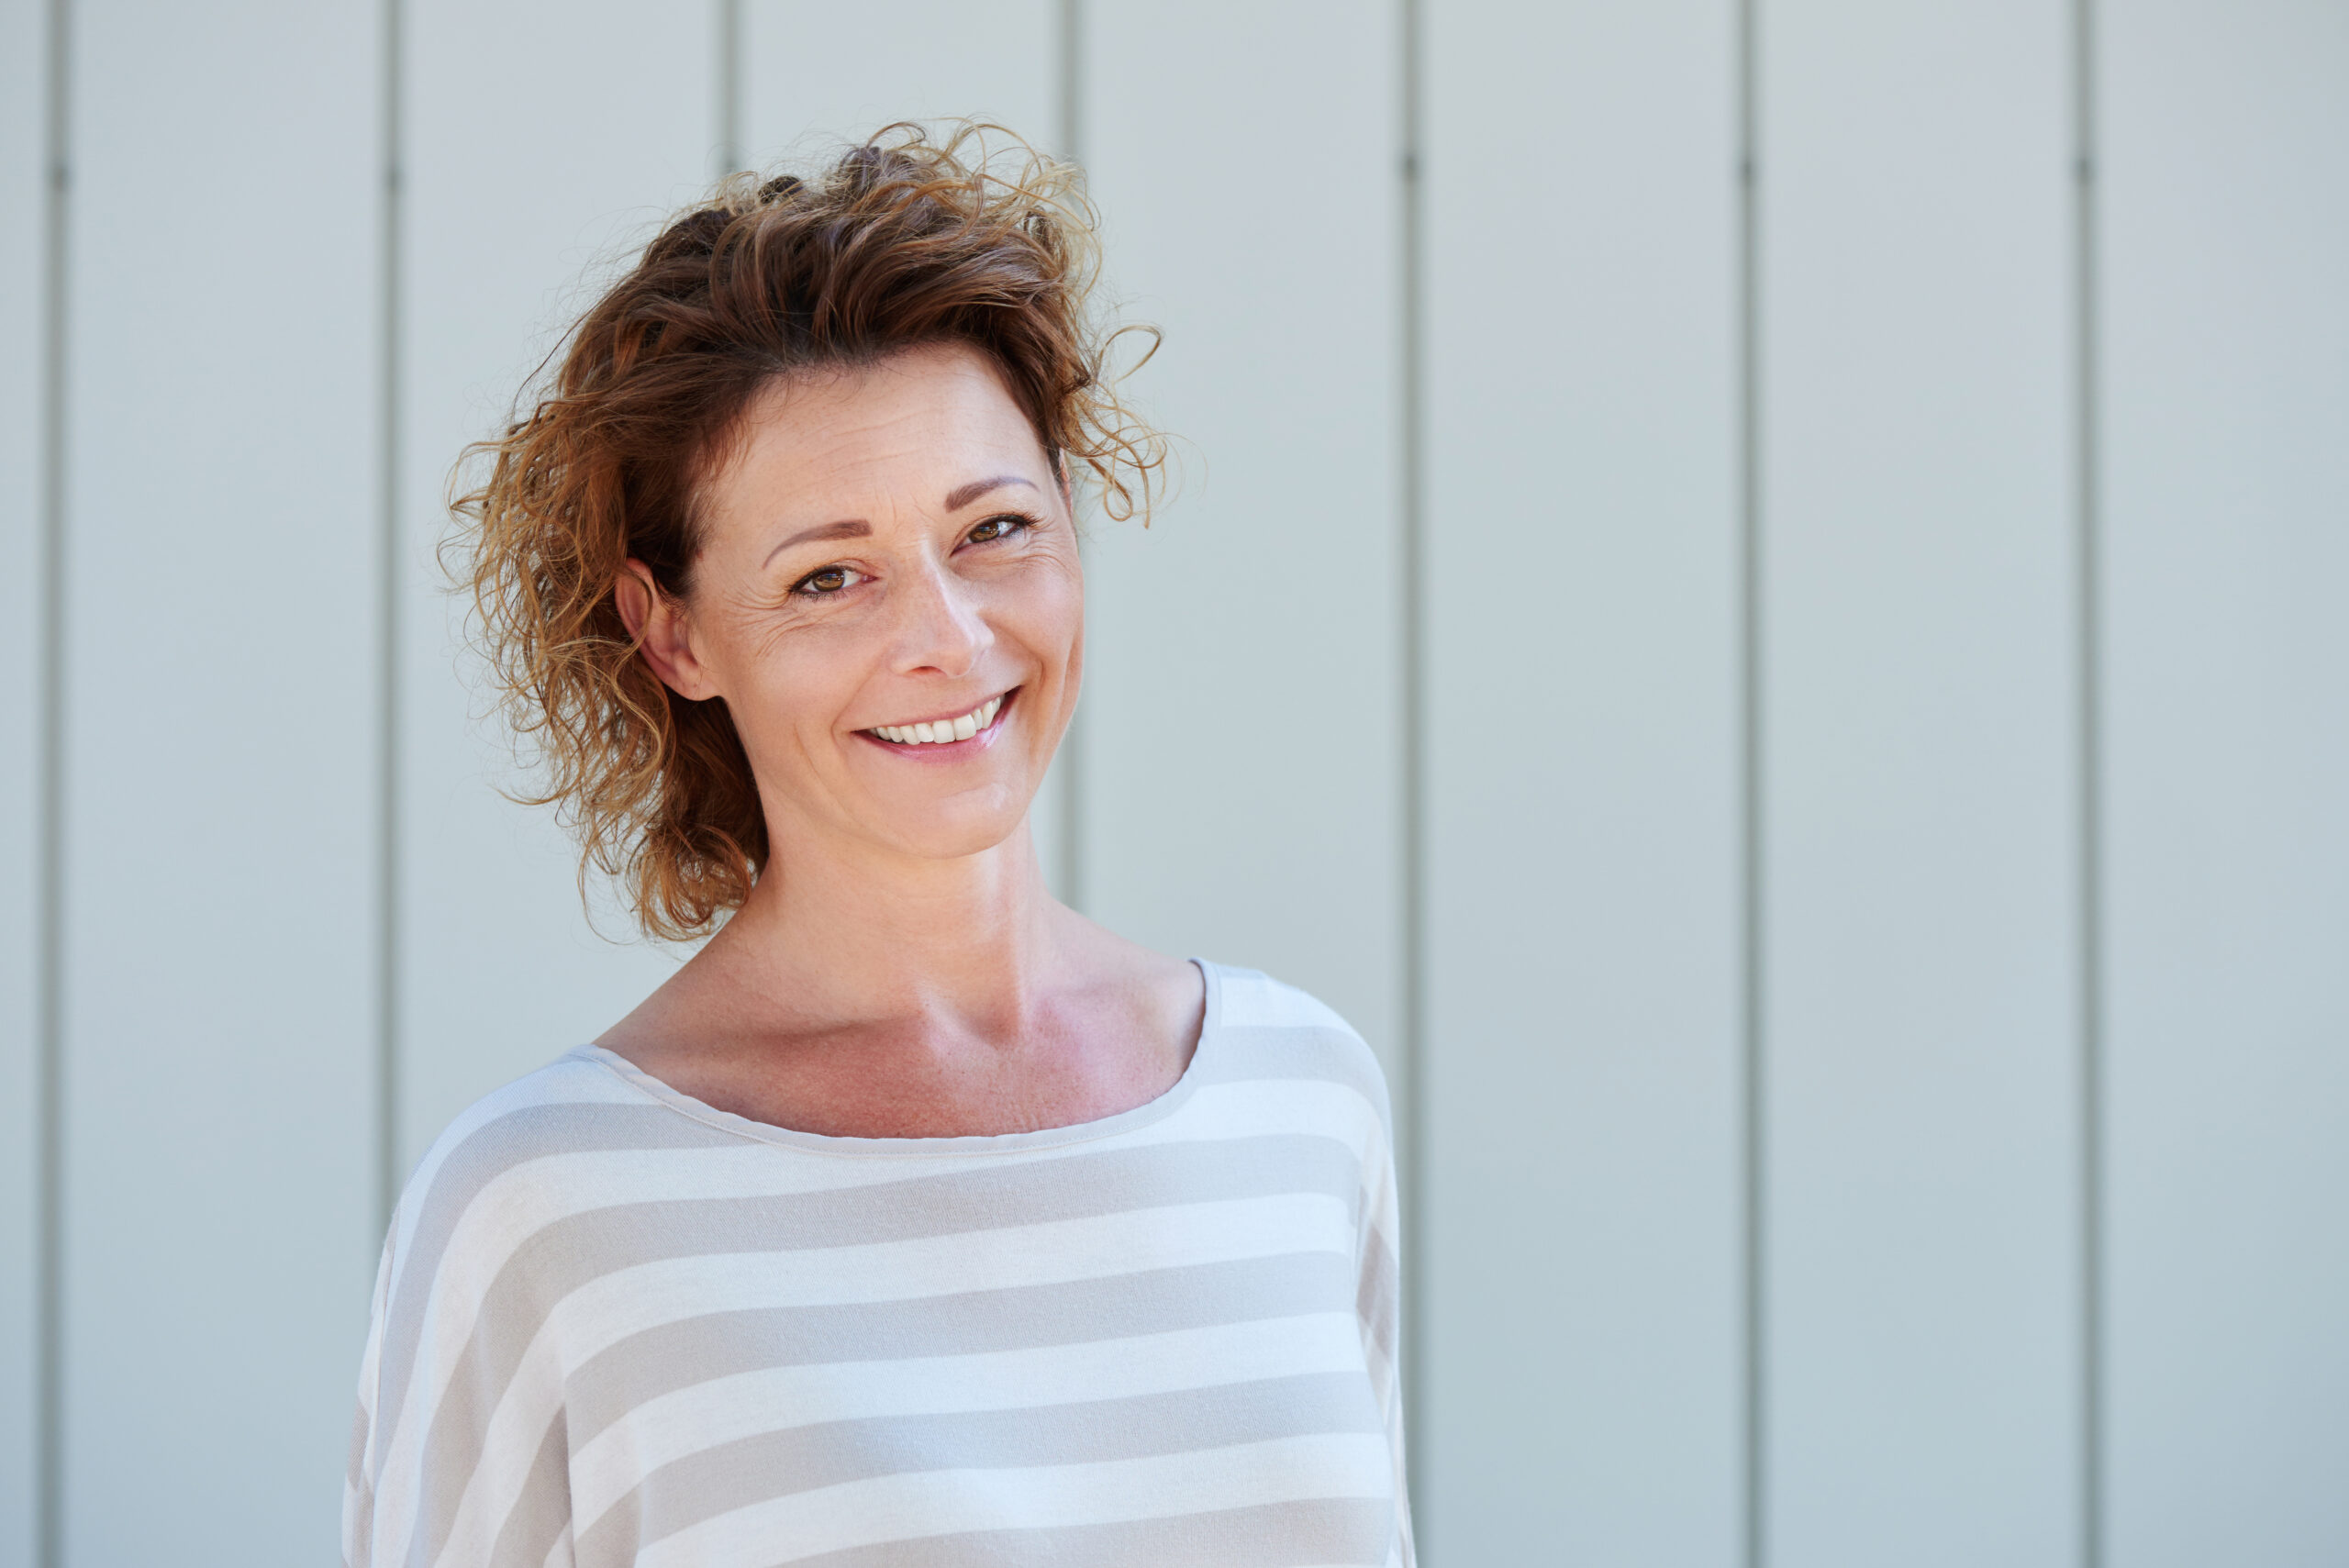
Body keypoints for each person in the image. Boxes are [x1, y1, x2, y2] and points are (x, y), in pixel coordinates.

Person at [343, 123, 1412, 1568]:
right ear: (673, 631)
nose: (950, 640)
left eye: (993, 530)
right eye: (829, 576)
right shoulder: (546, 1208)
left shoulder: (1301, 1100)